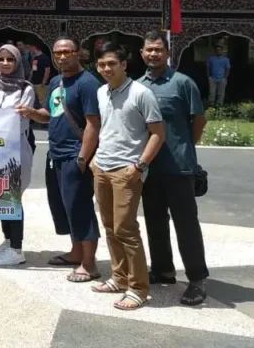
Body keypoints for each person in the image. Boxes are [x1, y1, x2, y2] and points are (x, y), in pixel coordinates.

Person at [90, 41, 165, 312]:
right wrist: (95, 161)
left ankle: (139, 288)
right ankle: (119, 277)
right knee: (109, 227)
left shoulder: (141, 93)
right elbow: (105, 128)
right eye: (101, 65)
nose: (106, 69)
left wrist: (140, 166)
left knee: (126, 229)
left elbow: (158, 133)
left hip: (127, 170)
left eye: (112, 63)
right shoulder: (101, 92)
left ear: (124, 64)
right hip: (103, 167)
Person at [22, 36, 101, 283]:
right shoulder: (56, 81)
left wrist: (82, 158)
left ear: (79, 53)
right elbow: (50, 114)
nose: (63, 56)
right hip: (55, 154)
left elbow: (92, 124)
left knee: (80, 207)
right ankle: (76, 252)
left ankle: (90, 264)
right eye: (58, 53)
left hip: (74, 155)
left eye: (68, 52)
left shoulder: (87, 83)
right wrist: (33, 112)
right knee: (64, 206)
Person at [139, 31, 209, 306]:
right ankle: (163, 269)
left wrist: (185, 146)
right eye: (149, 49)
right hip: (150, 167)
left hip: (179, 167)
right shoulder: (138, 86)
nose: (153, 54)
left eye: (158, 49)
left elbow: (198, 120)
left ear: (167, 53)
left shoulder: (183, 83)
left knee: (186, 225)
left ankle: (196, 279)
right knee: (155, 222)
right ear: (141, 53)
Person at [0, 43, 36, 266]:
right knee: (0, 195)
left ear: (18, 62)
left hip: (15, 147)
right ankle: (7, 240)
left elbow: (18, 119)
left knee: (13, 195)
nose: (5, 64)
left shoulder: (26, 88)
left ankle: (17, 248)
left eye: (10, 59)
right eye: (1, 59)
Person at [28, 42, 52, 106]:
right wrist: (29, 80)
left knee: (42, 101)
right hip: (35, 83)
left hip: (41, 84)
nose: (29, 49)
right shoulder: (35, 58)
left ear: (34, 47)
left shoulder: (45, 58)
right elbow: (34, 70)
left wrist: (43, 82)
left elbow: (47, 71)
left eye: (30, 47)